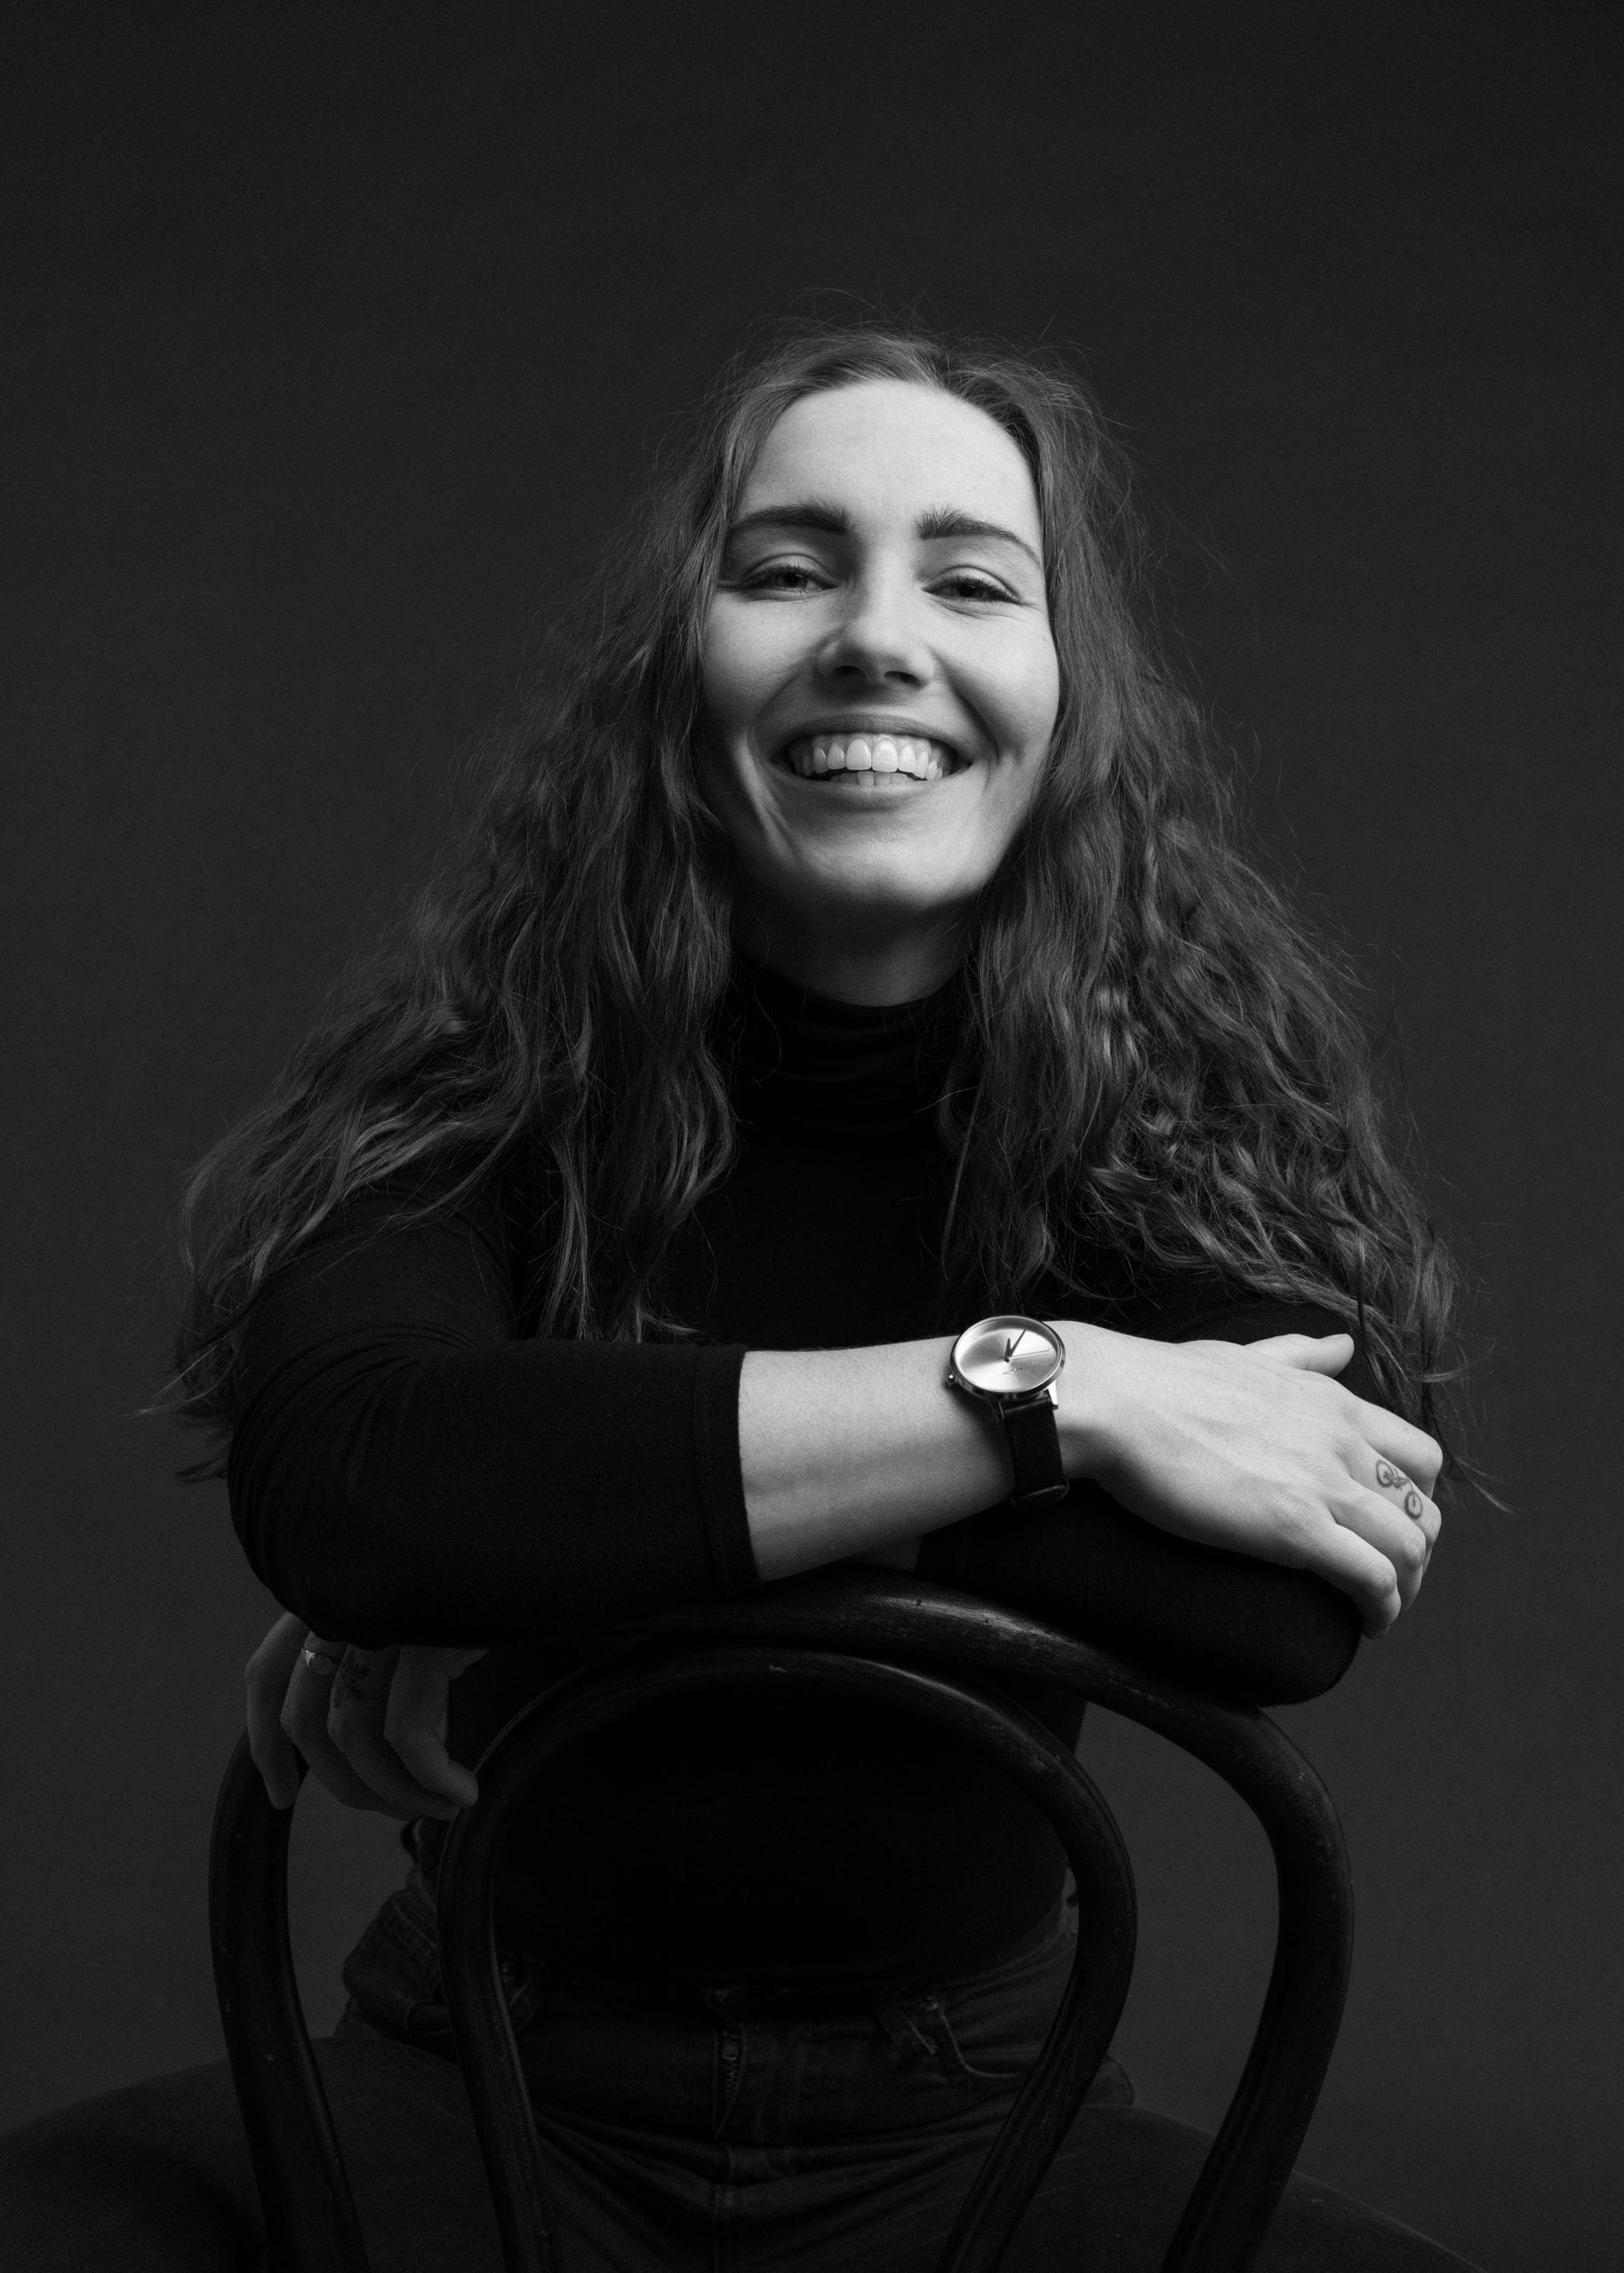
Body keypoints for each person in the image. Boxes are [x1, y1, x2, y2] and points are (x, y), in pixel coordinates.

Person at [0, 323, 1481, 2270]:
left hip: (980, 2126)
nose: (875, 635)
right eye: (786, 568)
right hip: (478, 2074)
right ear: (675, 678)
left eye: (970, 578)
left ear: (1065, 696)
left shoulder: (1185, 1105)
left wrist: (556, 1540)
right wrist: (1064, 1393)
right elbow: (358, 1475)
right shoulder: (480, 1079)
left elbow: (1279, 1595)